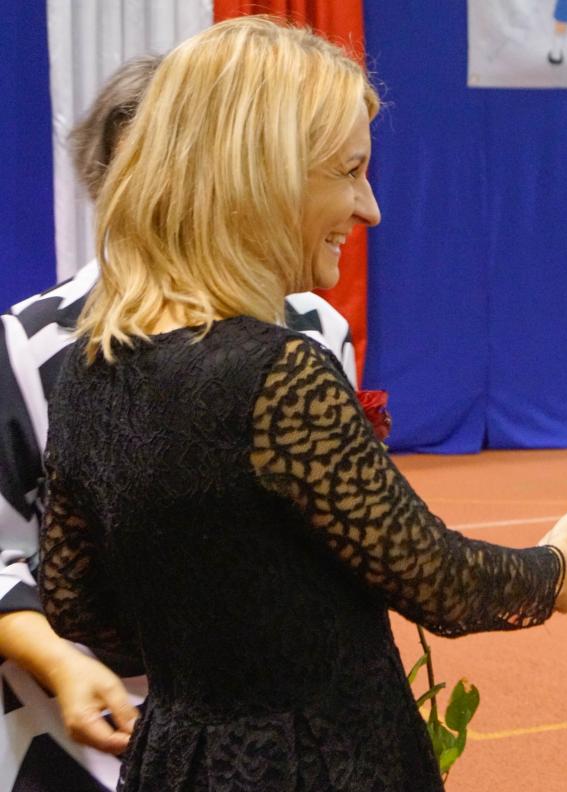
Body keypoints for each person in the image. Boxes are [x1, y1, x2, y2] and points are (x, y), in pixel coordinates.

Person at [38, 17, 567, 791]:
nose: (370, 208)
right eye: (349, 172)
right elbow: (436, 579)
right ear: (261, 177)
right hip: (317, 762)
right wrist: (558, 570)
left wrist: (215, 645)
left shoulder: (89, 371)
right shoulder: (276, 374)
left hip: (176, 761)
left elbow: (76, 605)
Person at [0, 54, 356, 791]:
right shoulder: (27, 344)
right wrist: (61, 663)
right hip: (70, 746)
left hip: (275, 739)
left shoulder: (314, 329)